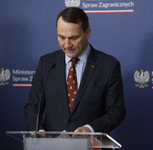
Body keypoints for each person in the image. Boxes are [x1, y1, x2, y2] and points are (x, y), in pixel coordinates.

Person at [24, 7, 126, 135]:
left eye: (73, 38)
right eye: (61, 37)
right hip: (51, 145)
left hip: (91, 145)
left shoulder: (108, 65)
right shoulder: (46, 63)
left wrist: (90, 129)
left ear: (87, 33)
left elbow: (116, 111)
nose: (67, 45)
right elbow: (33, 106)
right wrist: (38, 132)